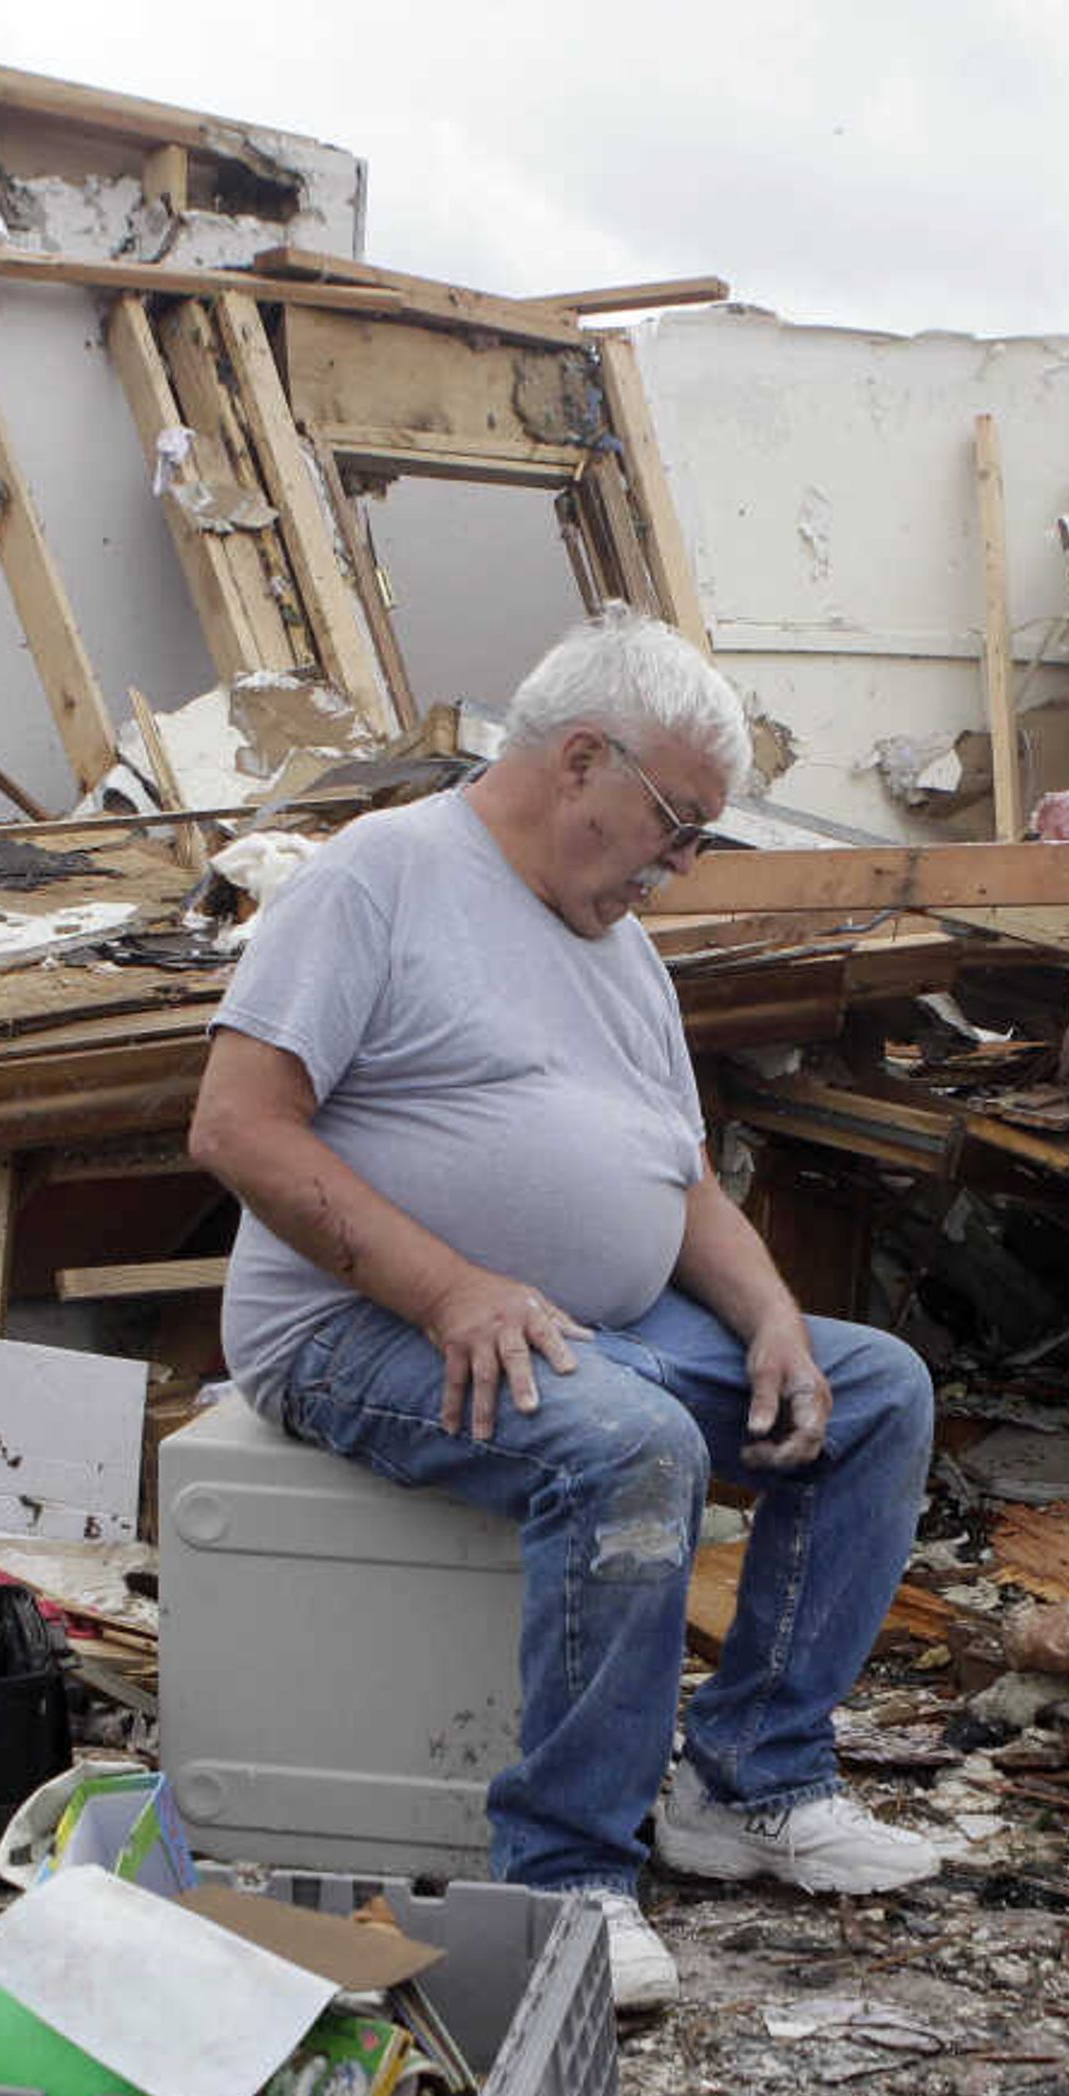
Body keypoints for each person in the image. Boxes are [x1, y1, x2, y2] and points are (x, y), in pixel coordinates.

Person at [187, 607, 947, 2013]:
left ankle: (752, 1781)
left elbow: (679, 1176)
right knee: (628, 1442)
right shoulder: (382, 878)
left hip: (596, 1326)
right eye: (675, 825)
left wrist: (775, 1311)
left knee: (877, 1389)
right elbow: (239, 1127)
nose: (680, 865)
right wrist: (451, 1288)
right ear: (582, 759)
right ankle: (567, 1873)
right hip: (362, 1327)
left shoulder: (618, 949)